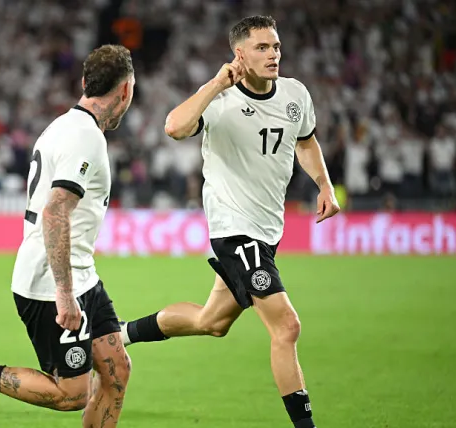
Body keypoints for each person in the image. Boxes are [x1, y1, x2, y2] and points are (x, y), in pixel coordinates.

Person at [120, 16, 339, 428]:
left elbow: (306, 141)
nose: (273, 54)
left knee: (212, 321)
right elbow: (174, 126)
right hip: (235, 230)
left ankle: (120, 333)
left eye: (275, 46)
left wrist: (324, 185)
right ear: (240, 54)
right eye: (262, 47)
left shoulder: (295, 94)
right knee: (287, 327)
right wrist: (217, 83)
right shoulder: (220, 102)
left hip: (267, 231)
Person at [0, 44, 136, 428]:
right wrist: (64, 292)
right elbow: (55, 210)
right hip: (52, 281)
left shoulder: (62, 126)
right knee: (71, 394)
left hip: (81, 274)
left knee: (116, 370)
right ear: (126, 91)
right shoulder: (85, 137)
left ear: (84, 82)